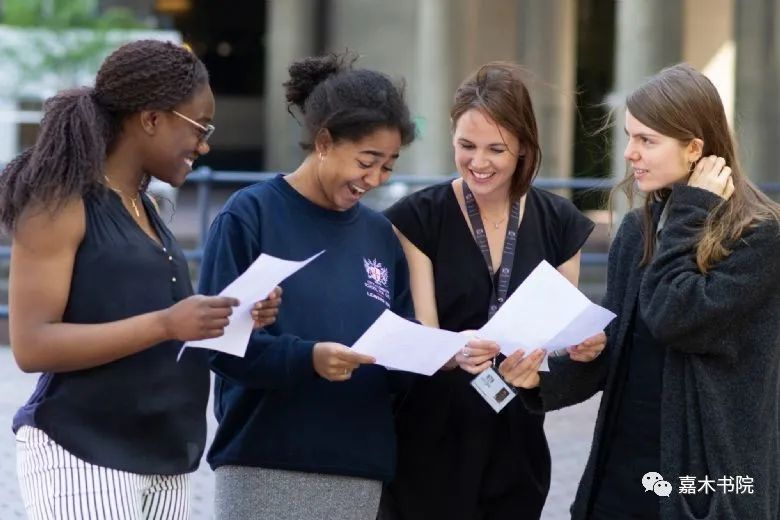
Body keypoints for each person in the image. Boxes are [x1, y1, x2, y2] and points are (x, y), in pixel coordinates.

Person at [1, 39, 281, 519]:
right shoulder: (60, 203)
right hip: (83, 450)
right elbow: (31, 346)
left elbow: (154, 326)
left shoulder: (146, 207)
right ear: (151, 119)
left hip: (165, 454)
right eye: (200, 126)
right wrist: (167, 324)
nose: (206, 143)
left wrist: (231, 318)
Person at [503, 63, 780, 519]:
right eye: (630, 136)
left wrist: (693, 209)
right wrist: (545, 376)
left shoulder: (758, 236)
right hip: (621, 476)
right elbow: (617, 350)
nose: (630, 153)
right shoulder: (638, 229)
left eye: (647, 140)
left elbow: (676, 318)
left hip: (704, 489)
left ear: (695, 148)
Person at [197, 52, 417, 520]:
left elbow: (399, 338)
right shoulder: (251, 214)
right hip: (265, 460)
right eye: (367, 160)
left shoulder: (379, 234)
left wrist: (437, 355)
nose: (375, 179)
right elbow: (219, 344)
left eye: (389, 167)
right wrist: (308, 358)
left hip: (359, 464)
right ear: (323, 141)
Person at [379, 62, 597, 520]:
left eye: (496, 149)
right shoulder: (419, 218)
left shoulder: (560, 224)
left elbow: (554, 344)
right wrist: (453, 352)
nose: (479, 163)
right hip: (432, 437)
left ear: (523, 148)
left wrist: (577, 347)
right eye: (466, 146)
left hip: (517, 437)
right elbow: (425, 332)